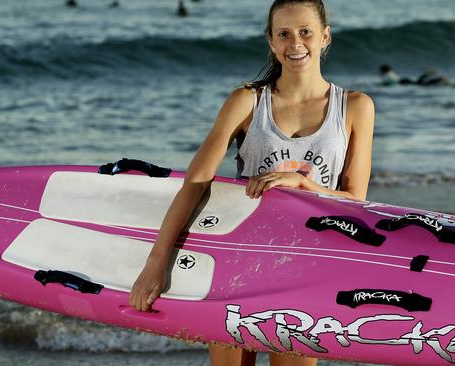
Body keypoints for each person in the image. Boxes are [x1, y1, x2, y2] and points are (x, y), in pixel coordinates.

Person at [129, 0, 375, 365]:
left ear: (325, 36)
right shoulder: (247, 101)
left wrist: (305, 185)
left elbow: (356, 201)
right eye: (284, 34)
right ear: (271, 42)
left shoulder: (355, 106)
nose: (296, 43)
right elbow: (196, 184)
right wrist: (156, 261)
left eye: (306, 32)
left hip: (308, 263)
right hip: (240, 257)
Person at [379, 64, 450, 86]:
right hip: (403, 80)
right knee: (419, 82)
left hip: (403, 82)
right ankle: (439, 78)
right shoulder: (391, 73)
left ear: (383, 70)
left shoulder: (387, 76)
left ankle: (440, 79)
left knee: (420, 83)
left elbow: (385, 83)